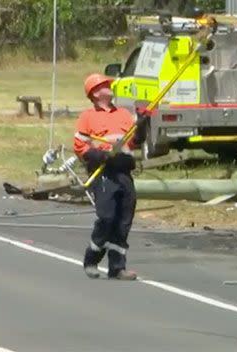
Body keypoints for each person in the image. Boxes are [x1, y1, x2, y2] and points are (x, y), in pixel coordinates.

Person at [73, 73, 149, 280]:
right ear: (96, 93)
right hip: (103, 172)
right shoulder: (88, 117)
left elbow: (135, 142)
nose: (110, 87)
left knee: (124, 220)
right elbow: (80, 147)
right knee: (107, 218)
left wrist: (142, 126)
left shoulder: (124, 114)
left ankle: (117, 267)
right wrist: (100, 155)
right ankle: (92, 258)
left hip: (123, 171)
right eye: (106, 85)